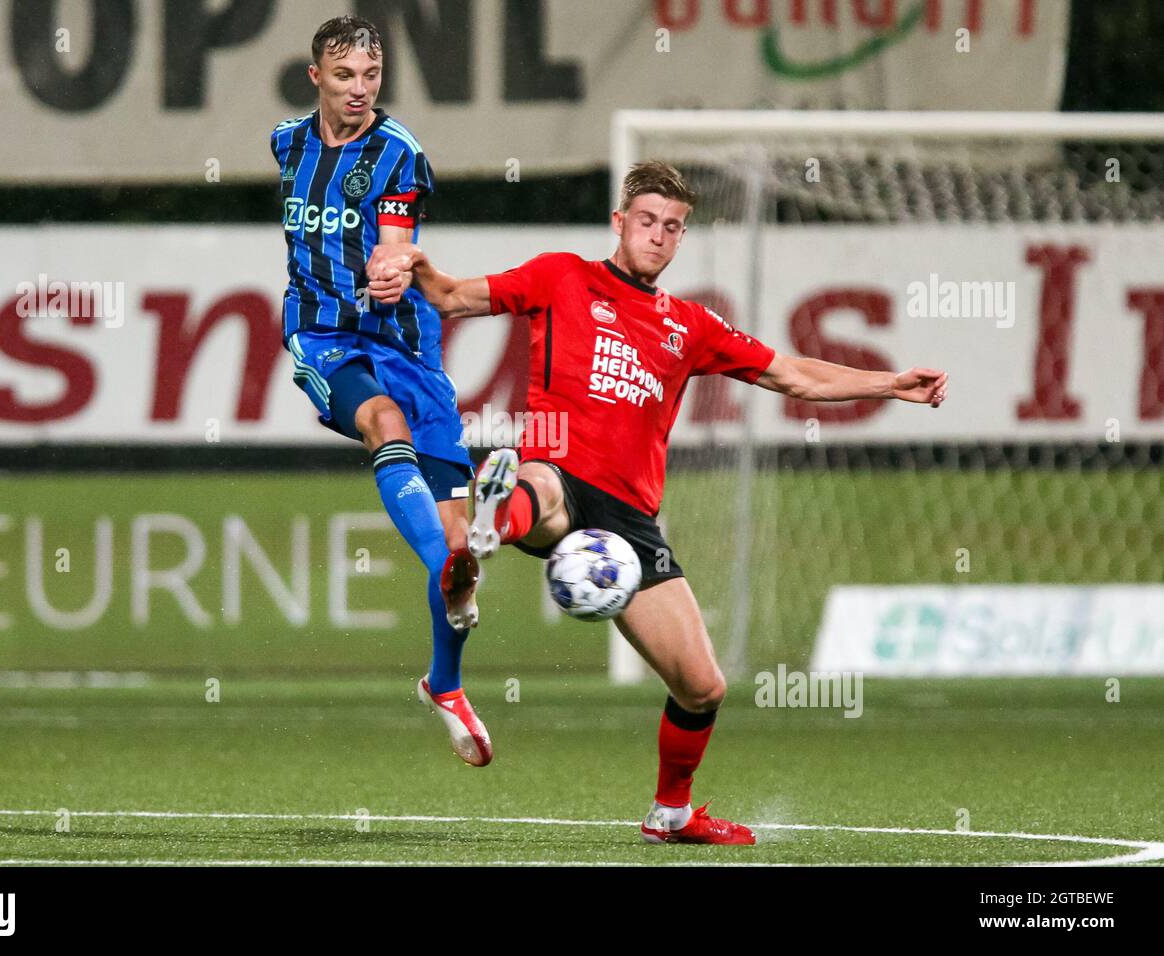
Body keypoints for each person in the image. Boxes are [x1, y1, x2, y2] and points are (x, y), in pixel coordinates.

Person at [366, 160, 949, 844]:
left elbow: (792, 374)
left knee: (703, 686)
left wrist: (890, 383)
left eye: (673, 227)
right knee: (545, 490)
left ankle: (670, 813)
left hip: (629, 521)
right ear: (620, 223)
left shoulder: (691, 326)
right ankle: (492, 526)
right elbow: (455, 297)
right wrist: (417, 268)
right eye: (647, 222)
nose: (659, 236)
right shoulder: (561, 276)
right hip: (553, 462)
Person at [271, 15, 490, 767]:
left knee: (459, 537)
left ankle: (446, 684)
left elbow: (396, 236)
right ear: (316, 78)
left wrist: (394, 266)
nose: (360, 90)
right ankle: (447, 569)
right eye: (344, 77)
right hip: (322, 337)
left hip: (407, 345)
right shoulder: (286, 143)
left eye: (371, 76)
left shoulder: (400, 155)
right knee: (382, 420)